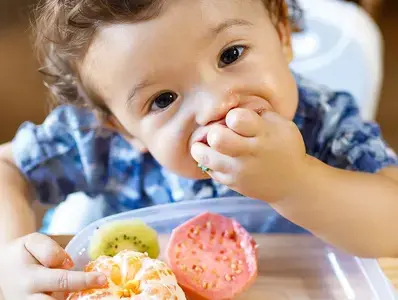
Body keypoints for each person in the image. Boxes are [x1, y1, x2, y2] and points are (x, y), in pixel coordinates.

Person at [1, 0, 398, 298]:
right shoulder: (100, 142)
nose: (214, 106)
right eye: (163, 99)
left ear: (281, 31)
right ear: (120, 126)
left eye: (231, 55)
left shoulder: (325, 124)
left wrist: (297, 183)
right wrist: (8, 253)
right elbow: (8, 166)